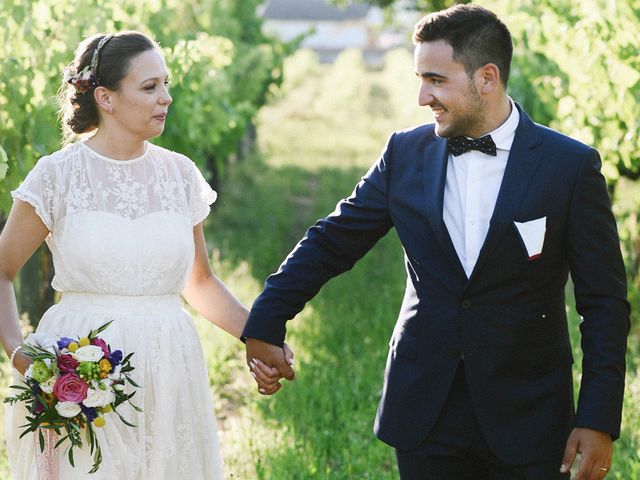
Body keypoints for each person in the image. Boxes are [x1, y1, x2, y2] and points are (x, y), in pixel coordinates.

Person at [243, 4, 630, 480]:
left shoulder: (569, 166)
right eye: (419, 79)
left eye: (436, 79)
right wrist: (266, 319)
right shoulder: (404, 153)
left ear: (486, 78)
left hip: (528, 412)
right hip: (425, 407)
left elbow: (605, 303)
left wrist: (597, 418)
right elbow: (331, 242)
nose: (423, 96)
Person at [0, 31, 285, 479]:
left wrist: (259, 338)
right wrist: (20, 355)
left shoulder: (179, 174)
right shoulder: (57, 176)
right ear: (105, 98)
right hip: (79, 368)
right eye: (150, 87)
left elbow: (200, 282)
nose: (166, 98)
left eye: (166, 84)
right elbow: (2, 271)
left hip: (169, 363)